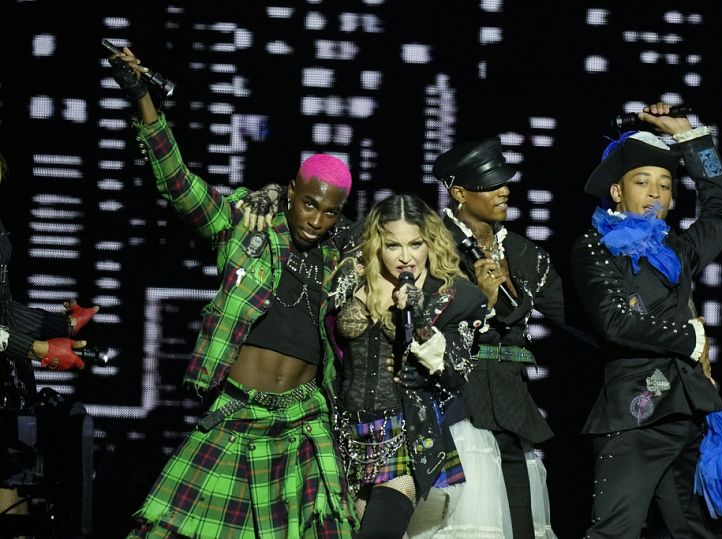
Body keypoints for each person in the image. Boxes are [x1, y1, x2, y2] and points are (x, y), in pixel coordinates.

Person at [108, 48, 356, 537]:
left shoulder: (340, 256)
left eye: (329, 212)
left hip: (306, 421)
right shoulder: (245, 227)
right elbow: (179, 184)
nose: (316, 219)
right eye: (308, 205)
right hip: (238, 413)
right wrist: (142, 99)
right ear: (291, 192)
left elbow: (393, 241)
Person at [570, 102, 722, 538]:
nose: (655, 193)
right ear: (616, 192)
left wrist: (691, 138)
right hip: (636, 414)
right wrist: (690, 337)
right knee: (615, 532)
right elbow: (614, 322)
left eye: (665, 186)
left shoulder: (678, 252)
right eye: (642, 182)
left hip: (691, 410)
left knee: (702, 532)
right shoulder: (595, 248)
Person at [326, 194, 510, 538]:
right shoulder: (352, 277)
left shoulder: (456, 296)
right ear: (378, 243)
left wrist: (420, 315)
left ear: (431, 243)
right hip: (342, 439)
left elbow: (456, 373)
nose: (405, 257)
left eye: (416, 244)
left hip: (404, 438)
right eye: (393, 245)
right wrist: (275, 193)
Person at [432, 137, 561, 538]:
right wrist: (478, 303)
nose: (504, 190)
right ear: (458, 193)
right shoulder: (432, 247)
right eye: (491, 184)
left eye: (505, 182)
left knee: (518, 519)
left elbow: (578, 316)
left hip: (511, 401)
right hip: (455, 400)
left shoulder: (525, 255)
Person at [1, 152, 98, 515]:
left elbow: (3, 309)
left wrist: (59, 326)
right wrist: (37, 348)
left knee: (12, 502)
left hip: (6, 398)